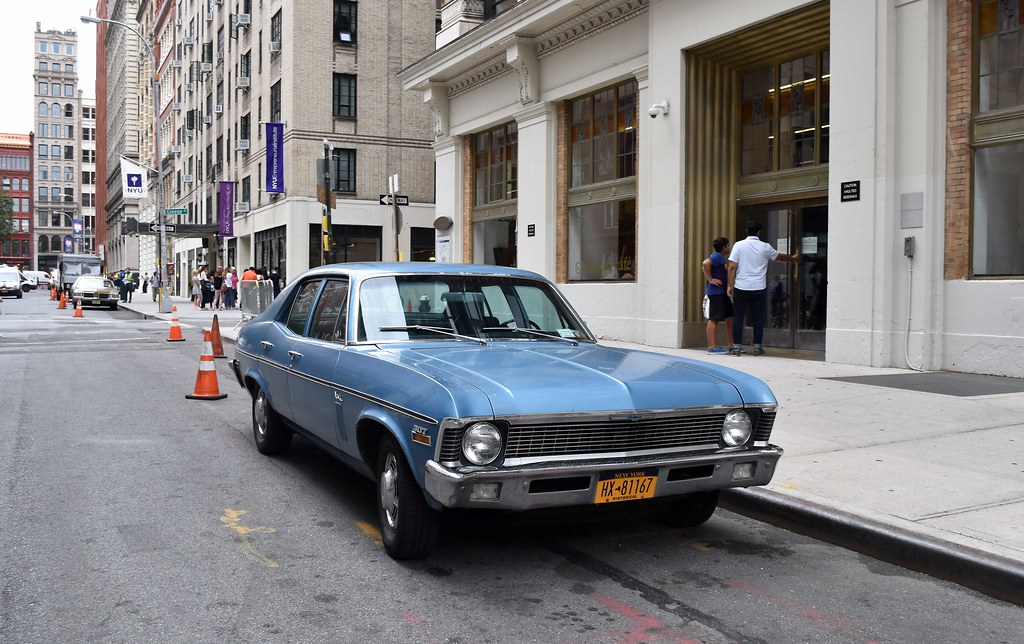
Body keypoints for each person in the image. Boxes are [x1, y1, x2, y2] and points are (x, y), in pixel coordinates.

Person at [727, 220, 799, 356]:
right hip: (758, 287)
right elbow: (780, 257)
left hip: (741, 287)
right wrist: (793, 258)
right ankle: (757, 347)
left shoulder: (738, 245)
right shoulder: (765, 247)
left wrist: (729, 286)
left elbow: (731, 266)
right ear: (760, 232)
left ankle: (736, 347)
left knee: (738, 317)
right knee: (758, 318)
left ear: (747, 231)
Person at [702, 237, 734, 354]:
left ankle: (732, 344)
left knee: (730, 316)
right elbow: (705, 264)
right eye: (728, 245)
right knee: (714, 318)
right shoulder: (716, 257)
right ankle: (712, 347)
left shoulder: (720, 258)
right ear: (724, 247)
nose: (730, 247)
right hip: (716, 293)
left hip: (722, 293)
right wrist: (710, 279)